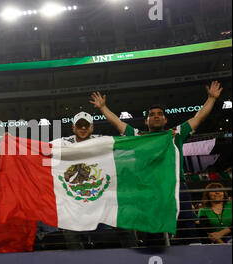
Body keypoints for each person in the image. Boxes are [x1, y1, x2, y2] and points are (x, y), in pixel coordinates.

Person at [90, 81, 224, 245]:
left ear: (165, 120)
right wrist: (103, 108)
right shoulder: (139, 137)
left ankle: (192, 257)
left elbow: (199, 118)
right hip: (150, 188)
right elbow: (118, 123)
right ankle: (154, 258)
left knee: (186, 224)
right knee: (152, 228)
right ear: (146, 121)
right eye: (152, 114)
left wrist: (211, 99)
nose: (156, 115)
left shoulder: (175, 134)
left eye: (159, 113)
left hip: (176, 186)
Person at [46, 112, 137, 250]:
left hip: (102, 198)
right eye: (79, 125)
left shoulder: (102, 141)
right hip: (76, 201)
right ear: (73, 128)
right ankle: (77, 262)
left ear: (92, 127)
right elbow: (38, 148)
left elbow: (128, 143)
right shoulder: (63, 143)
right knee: (69, 228)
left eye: (86, 125)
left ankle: (133, 257)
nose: (83, 128)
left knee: (124, 222)